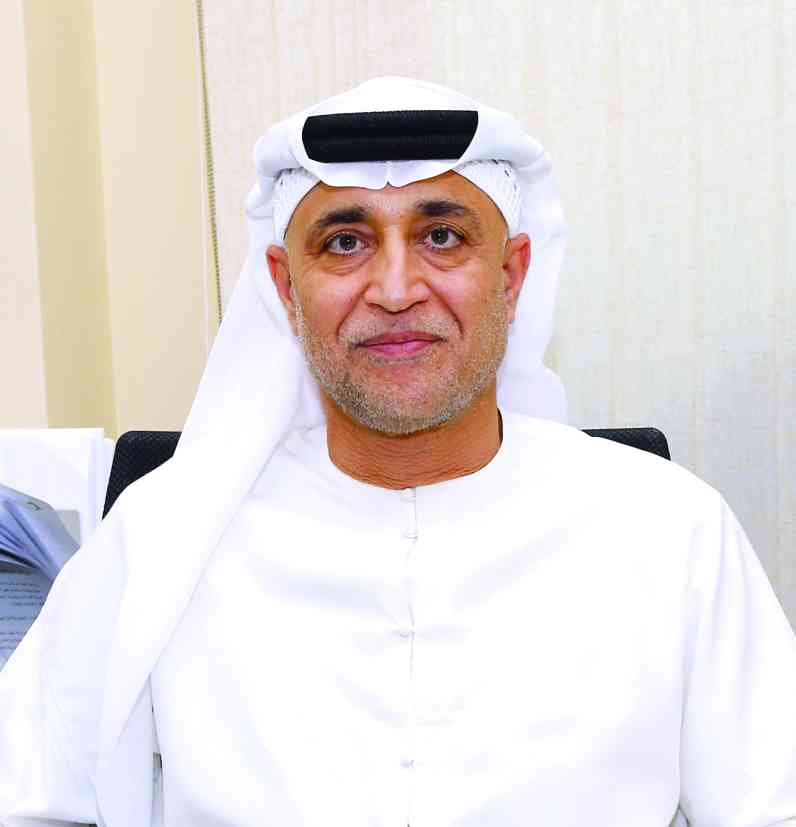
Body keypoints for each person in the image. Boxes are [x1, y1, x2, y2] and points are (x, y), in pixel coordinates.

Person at [1, 76, 795, 827]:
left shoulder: (672, 531)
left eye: (441, 237)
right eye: (344, 242)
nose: (393, 289)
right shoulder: (161, 538)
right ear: (285, 287)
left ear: (512, 274)